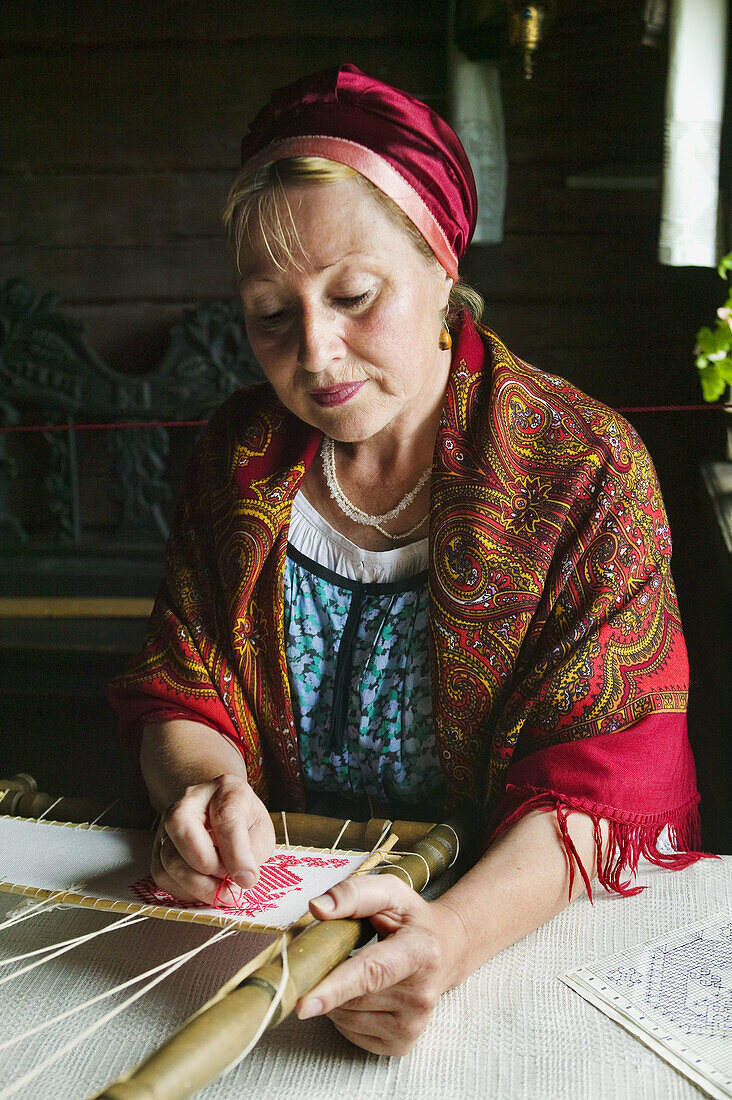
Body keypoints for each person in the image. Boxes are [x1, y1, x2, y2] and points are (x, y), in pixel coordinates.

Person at [109, 65, 705, 1056]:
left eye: (353, 294)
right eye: (270, 315)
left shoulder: (584, 472)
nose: (317, 351)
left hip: (507, 935)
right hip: (282, 932)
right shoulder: (236, 458)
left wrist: (452, 938)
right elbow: (184, 682)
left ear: (441, 263)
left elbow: (612, 775)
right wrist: (203, 788)